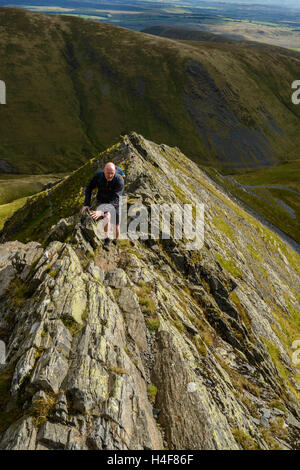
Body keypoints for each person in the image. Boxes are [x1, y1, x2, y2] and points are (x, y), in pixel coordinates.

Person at [81, 162, 124, 249]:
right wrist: (86, 204)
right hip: (102, 199)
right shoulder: (98, 176)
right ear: (104, 171)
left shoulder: (119, 180)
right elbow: (89, 188)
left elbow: (117, 199)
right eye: (108, 173)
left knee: (116, 226)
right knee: (106, 216)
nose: (110, 175)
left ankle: (116, 240)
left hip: (115, 202)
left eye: (112, 173)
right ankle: (107, 240)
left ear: (115, 172)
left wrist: (101, 211)